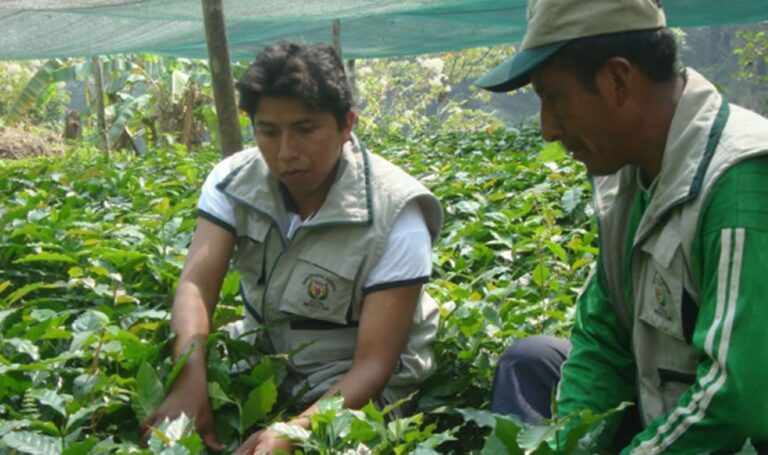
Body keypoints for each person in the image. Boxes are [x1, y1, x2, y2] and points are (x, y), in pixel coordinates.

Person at [476, 0, 768, 453]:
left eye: (553, 98)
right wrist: (568, 445)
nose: (548, 128)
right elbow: (601, 338)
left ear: (616, 80)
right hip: (665, 405)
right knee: (532, 362)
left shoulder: (739, 183)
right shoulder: (630, 179)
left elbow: (737, 400)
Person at [140, 41, 442, 454]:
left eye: (305, 130)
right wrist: (188, 381)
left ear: (346, 124)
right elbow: (195, 284)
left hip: (360, 382)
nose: (286, 153)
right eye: (268, 132)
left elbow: (374, 365)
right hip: (264, 354)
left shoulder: (398, 214)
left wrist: (294, 433)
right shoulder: (232, 181)